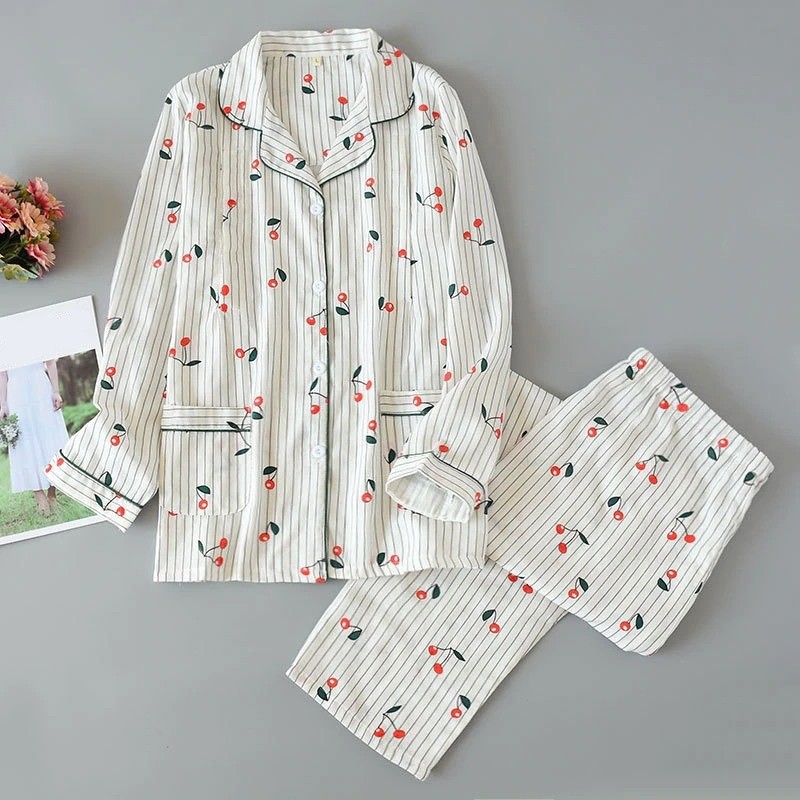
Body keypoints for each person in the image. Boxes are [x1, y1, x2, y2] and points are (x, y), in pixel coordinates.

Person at [0, 360, 69, 514]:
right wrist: (3, 404)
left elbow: (50, 362)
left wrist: (55, 391)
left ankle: (52, 494)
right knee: (25, 442)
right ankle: (39, 495)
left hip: (40, 388)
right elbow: (2, 374)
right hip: (16, 393)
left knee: (48, 438)